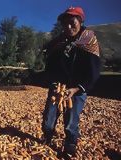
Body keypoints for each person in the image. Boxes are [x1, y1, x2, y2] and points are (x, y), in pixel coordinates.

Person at [42, 6, 100, 156]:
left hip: (78, 88)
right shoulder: (59, 42)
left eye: (72, 23)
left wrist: (77, 89)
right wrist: (53, 83)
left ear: (80, 21)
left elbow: (93, 72)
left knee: (71, 121)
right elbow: (49, 65)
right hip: (58, 86)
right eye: (65, 24)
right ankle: (47, 136)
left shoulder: (89, 40)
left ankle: (70, 143)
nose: (68, 27)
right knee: (49, 119)